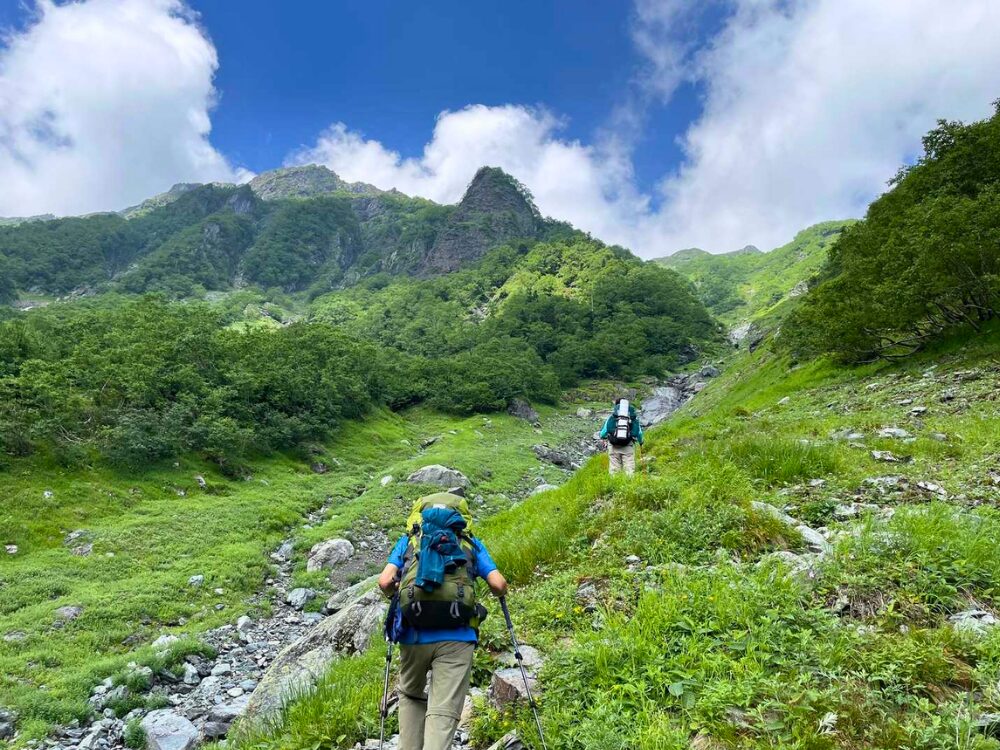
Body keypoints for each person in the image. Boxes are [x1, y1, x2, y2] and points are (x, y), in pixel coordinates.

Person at [378, 493, 508, 750]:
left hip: (413, 634)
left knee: (411, 695)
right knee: (443, 709)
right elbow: (498, 584)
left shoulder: (409, 541)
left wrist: (397, 592)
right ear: (461, 517)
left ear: (419, 515)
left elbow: (384, 582)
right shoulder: (469, 543)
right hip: (457, 637)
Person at [599, 397, 644, 476]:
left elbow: (603, 433)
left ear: (616, 406)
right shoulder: (632, 418)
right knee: (629, 469)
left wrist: (604, 437)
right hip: (628, 445)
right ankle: (629, 483)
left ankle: (615, 483)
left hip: (613, 445)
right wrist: (641, 442)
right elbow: (639, 433)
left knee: (614, 469)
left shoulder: (612, 418)